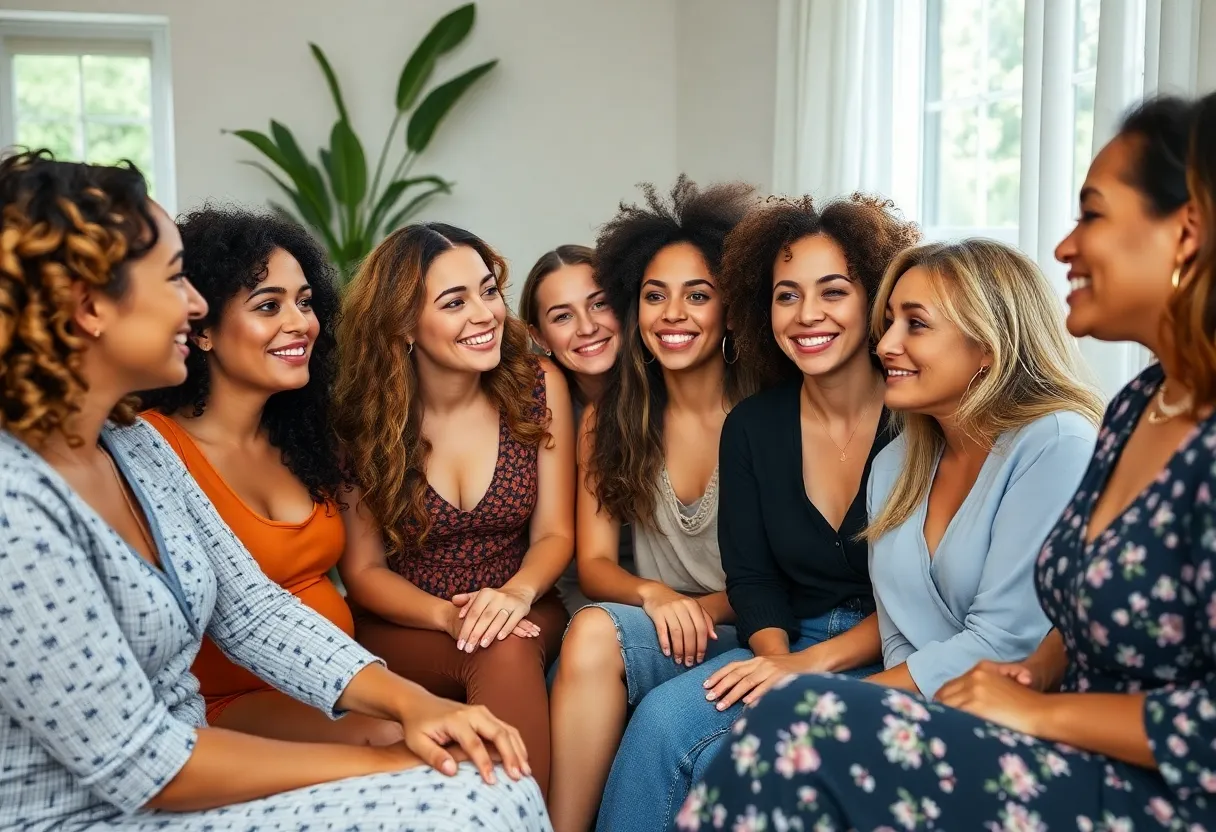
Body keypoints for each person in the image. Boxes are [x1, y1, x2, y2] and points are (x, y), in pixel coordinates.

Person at [679, 94, 1212, 832]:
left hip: (1147, 786)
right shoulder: (1135, 410)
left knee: (794, 729)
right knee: (760, 732)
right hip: (1016, 723)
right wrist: (1033, 674)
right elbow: (1057, 632)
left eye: (1091, 215)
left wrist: (1034, 710)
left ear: (1186, 231)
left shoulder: (1062, 439)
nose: (1063, 247)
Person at [0, 151, 546, 831]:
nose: (194, 305)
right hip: (97, 816)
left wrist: (413, 705)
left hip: (180, 772)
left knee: (490, 784)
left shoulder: (133, 447)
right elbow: (142, 763)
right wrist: (387, 763)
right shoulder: (15, 505)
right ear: (89, 308)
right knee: (471, 798)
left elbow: (253, 612)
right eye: (173, 280)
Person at [584, 194, 920, 832]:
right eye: (786, 295)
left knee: (760, 762)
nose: (807, 314)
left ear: (875, 300)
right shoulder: (753, 426)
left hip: (898, 647)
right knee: (661, 722)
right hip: (790, 634)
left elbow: (926, 599)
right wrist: (772, 660)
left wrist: (801, 670)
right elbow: (754, 579)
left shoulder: (917, 420)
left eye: (833, 291)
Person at [546, 176, 760, 832]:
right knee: (588, 633)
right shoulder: (610, 417)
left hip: (753, 627)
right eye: (654, 295)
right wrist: (657, 597)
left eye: (698, 295)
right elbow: (595, 566)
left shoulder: (767, 412)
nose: (673, 314)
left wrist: (703, 609)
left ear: (730, 309)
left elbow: (790, 577)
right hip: (661, 627)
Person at [333, 222, 575, 800]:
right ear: (403, 324)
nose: (485, 314)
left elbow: (555, 534)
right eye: (454, 302)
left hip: (523, 607)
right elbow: (363, 572)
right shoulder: (360, 419)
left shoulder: (538, 387)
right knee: (493, 643)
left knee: (504, 643)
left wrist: (513, 595)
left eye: (488, 291)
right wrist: (448, 617)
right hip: (406, 623)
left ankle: (512, 815)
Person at [141, 207, 398, 745]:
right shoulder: (155, 447)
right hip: (223, 706)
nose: (300, 322)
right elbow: (246, 614)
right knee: (402, 739)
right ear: (202, 330)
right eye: (268, 305)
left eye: (305, 301)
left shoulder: (307, 437)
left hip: (329, 685)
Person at [519, 244, 632, 615]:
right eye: (563, 316)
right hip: (575, 592)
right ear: (539, 336)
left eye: (599, 304)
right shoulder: (534, 409)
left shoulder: (670, 393)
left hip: (672, 588)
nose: (587, 327)